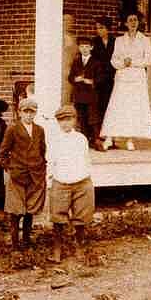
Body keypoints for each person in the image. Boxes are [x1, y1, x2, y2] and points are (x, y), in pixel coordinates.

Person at [47, 105, 95, 263]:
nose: (65, 124)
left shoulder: (80, 139)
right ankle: (57, 249)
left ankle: (79, 247)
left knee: (81, 216)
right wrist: (50, 179)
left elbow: (86, 160)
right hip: (61, 181)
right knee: (57, 217)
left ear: (74, 120)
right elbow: (50, 161)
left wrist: (85, 177)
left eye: (68, 119)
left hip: (81, 181)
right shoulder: (54, 139)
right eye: (61, 120)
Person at [100, 12, 151, 151]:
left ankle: (130, 139)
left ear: (138, 22)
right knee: (117, 106)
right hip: (123, 77)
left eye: (135, 20)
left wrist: (133, 62)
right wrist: (123, 63)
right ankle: (109, 137)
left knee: (132, 108)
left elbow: (149, 60)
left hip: (137, 78)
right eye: (130, 20)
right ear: (125, 23)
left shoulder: (145, 40)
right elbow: (113, 60)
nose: (133, 23)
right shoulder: (119, 40)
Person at [0, 97, 46, 250]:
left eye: (32, 112)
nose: (29, 115)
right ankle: (15, 243)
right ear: (19, 113)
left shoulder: (39, 130)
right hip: (18, 176)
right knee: (16, 211)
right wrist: (11, 168)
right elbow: (2, 154)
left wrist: (41, 166)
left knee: (30, 210)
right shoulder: (13, 129)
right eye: (26, 112)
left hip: (35, 175)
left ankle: (26, 240)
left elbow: (42, 150)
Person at [68, 36, 106, 152]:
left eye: (87, 47)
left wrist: (92, 81)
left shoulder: (96, 63)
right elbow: (70, 77)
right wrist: (76, 79)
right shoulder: (76, 62)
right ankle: (84, 142)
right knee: (82, 119)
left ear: (91, 48)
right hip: (79, 94)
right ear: (79, 48)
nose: (84, 49)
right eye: (82, 47)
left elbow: (101, 78)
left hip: (91, 95)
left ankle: (97, 141)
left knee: (93, 119)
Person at [91, 16, 116, 147]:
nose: (98, 30)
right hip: (99, 80)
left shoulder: (115, 41)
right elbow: (93, 60)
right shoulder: (94, 42)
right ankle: (99, 137)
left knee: (111, 108)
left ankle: (111, 138)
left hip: (112, 79)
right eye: (97, 28)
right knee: (99, 108)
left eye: (101, 28)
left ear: (107, 29)